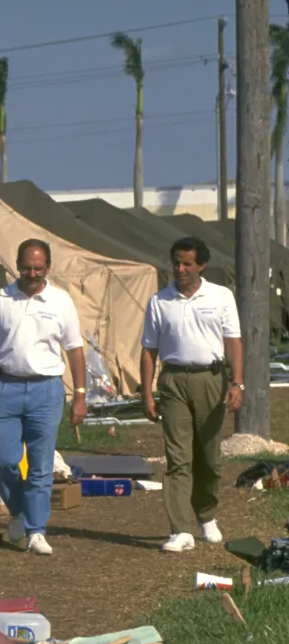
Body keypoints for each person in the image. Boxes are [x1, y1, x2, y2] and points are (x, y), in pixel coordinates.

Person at [0, 239, 87, 555]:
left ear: (47, 268)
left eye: (38, 268)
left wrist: (80, 396)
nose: (32, 274)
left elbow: (75, 350)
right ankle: (18, 509)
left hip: (47, 389)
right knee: (1, 456)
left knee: (40, 464)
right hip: (6, 387)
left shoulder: (60, 301)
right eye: (27, 267)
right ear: (17, 265)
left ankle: (36, 530)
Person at [140, 236, 243, 552]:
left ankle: (206, 514)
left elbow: (233, 342)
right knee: (177, 457)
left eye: (187, 263)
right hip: (173, 382)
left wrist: (237, 383)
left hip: (211, 379)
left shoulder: (221, 296)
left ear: (202, 265)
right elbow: (148, 351)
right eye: (176, 263)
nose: (180, 269)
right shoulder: (160, 301)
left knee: (209, 457)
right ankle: (180, 529)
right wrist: (147, 393)